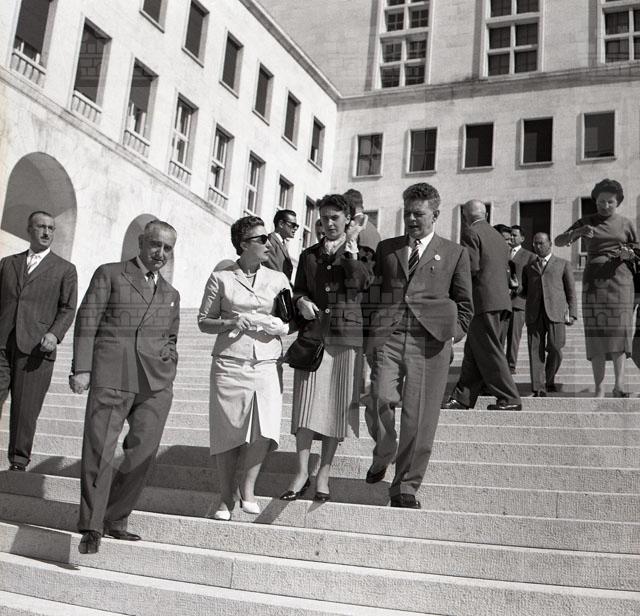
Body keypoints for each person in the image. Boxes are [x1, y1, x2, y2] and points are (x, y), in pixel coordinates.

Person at [70, 220, 180, 555]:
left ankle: (116, 518)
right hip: (113, 373)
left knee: (143, 453)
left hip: (155, 383)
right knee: (100, 450)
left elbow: (171, 337)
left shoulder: (171, 294)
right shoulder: (111, 273)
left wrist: (170, 362)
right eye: (156, 244)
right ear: (141, 243)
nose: (160, 253)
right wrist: (82, 368)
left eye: (168, 248)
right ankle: (92, 526)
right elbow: (87, 319)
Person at [365, 183, 472, 508]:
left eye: (419, 214)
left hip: (430, 342)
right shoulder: (387, 248)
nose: (411, 219)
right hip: (389, 336)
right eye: (408, 213)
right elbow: (374, 292)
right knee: (379, 396)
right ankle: (385, 449)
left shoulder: (455, 253)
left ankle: (405, 486)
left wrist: (452, 334)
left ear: (435, 215)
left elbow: (466, 304)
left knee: (419, 417)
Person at [281, 194, 372, 503]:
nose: (329, 224)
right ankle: (301, 472)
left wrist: (352, 248)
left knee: (336, 409)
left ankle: (323, 474)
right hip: (314, 337)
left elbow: (360, 284)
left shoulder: (362, 253)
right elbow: (299, 290)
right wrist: (301, 301)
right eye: (324, 218)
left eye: (335, 218)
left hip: (346, 338)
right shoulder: (309, 255)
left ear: (347, 219)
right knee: (305, 408)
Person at [198, 216, 289, 521]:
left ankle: (247, 488)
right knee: (227, 431)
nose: (268, 243)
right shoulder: (220, 278)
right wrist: (231, 321)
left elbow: (288, 321)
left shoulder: (278, 279)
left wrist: (277, 325)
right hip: (229, 361)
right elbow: (204, 322)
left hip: (266, 361)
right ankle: (226, 496)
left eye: (268, 238)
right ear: (243, 244)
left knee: (266, 428)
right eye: (261, 239)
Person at [0, 211, 77, 470]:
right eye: (41, 227)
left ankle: (18, 461)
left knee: (26, 408)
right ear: (29, 230)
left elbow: (68, 308)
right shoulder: (7, 263)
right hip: (2, 343)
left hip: (36, 347)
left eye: (51, 228)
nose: (46, 232)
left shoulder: (65, 269)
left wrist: (55, 333)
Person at [555, 179, 638, 397]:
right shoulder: (586, 221)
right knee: (596, 334)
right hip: (594, 282)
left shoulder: (627, 223)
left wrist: (629, 253)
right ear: (595, 201)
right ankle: (599, 387)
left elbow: (638, 251)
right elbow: (559, 241)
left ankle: (619, 385)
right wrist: (578, 232)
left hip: (621, 281)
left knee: (619, 331)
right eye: (601, 202)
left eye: (610, 202)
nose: (605, 206)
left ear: (618, 202)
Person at [445, 200, 522, 411]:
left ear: (464, 216)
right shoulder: (498, 236)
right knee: (474, 351)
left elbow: (470, 267)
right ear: (486, 214)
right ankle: (462, 397)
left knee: (489, 350)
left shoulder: (471, 232)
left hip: (483, 302)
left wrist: (451, 289)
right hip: (501, 301)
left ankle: (509, 397)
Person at [522, 233, 577, 397]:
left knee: (556, 347)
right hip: (534, 314)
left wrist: (572, 313)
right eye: (535, 243)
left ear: (550, 244)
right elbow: (524, 291)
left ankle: (549, 379)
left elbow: (571, 291)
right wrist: (516, 288)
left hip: (555, 313)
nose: (538, 246)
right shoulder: (528, 267)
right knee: (534, 351)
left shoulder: (563, 264)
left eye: (541, 243)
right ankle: (538, 387)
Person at [506, 225, 536, 373]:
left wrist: (521, 289)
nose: (511, 238)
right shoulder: (502, 252)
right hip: (501, 301)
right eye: (510, 235)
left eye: (514, 235)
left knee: (513, 336)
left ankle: (510, 365)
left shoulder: (530, 256)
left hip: (518, 302)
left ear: (522, 238)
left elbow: (533, 281)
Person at [264, 209, 298, 280]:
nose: (295, 228)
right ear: (281, 224)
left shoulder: (282, 243)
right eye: (293, 225)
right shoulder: (270, 241)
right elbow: (274, 271)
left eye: (297, 226)